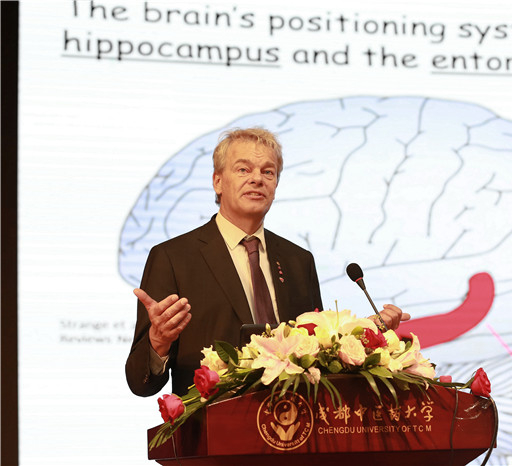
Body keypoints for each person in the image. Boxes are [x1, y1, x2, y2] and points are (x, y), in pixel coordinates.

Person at [125, 128, 409, 397]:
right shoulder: (174, 258)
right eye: (243, 169)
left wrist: (363, 332)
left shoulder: (298, 261)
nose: (257, 179)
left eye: (268, 172)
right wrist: (158, 341)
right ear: (218, 181)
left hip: (295, 420)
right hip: (213, 423)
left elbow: (317, 352)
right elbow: (140, 382)